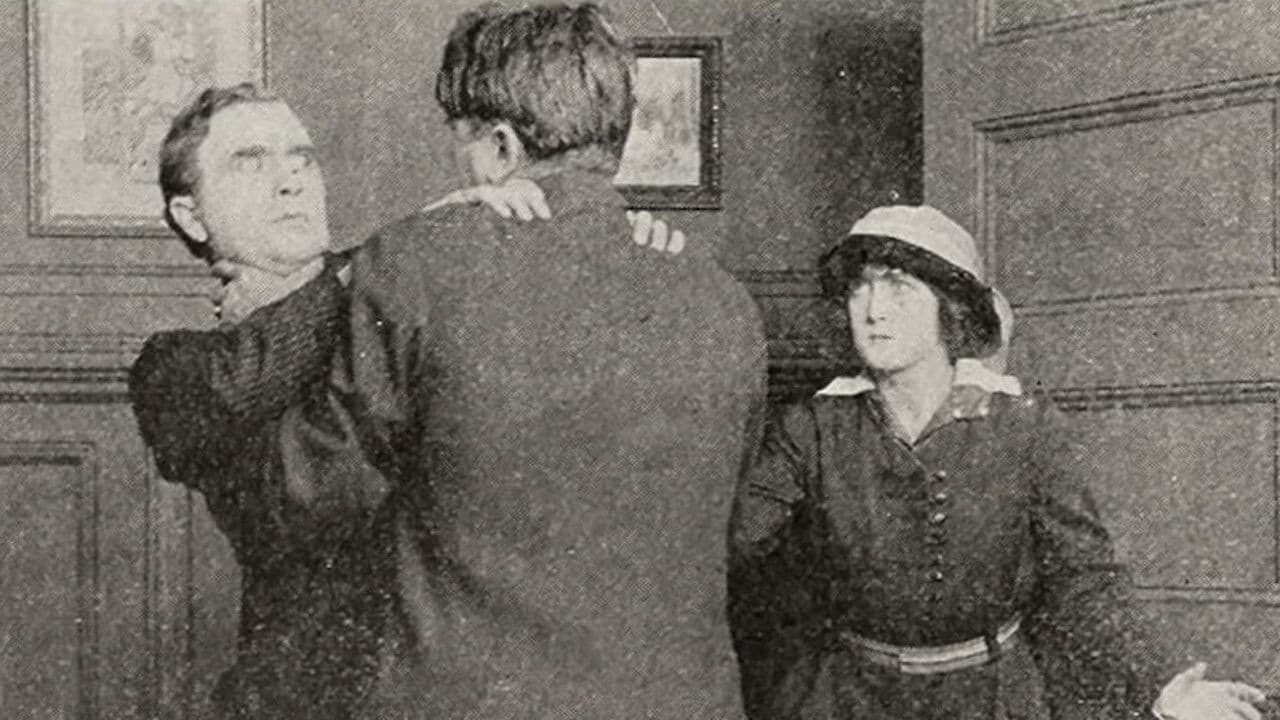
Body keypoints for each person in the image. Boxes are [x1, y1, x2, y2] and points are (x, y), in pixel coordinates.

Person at [235, 4, 765, 717]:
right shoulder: (723, 302)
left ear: (501, 148)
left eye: (461, 143)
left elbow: (307, 496)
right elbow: (732, 529)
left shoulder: (416, 264)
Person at [128, 82, 682, 718]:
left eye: (302, 158)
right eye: (250, 162)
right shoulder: (176, 368)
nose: (291, 182)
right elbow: (243, 375)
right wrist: (405, 252)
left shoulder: (402, 287)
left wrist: (614, 251)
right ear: (190, 216)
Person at [729, 204, 1266, 720]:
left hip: (992, 699)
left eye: (899, 287)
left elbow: (1083, 582)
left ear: (950, 306)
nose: (874, 310)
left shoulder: (1025, 428)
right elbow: (733, 544)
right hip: (848, 699)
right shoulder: (812, 428)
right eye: (859, 288)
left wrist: (1162, 683)